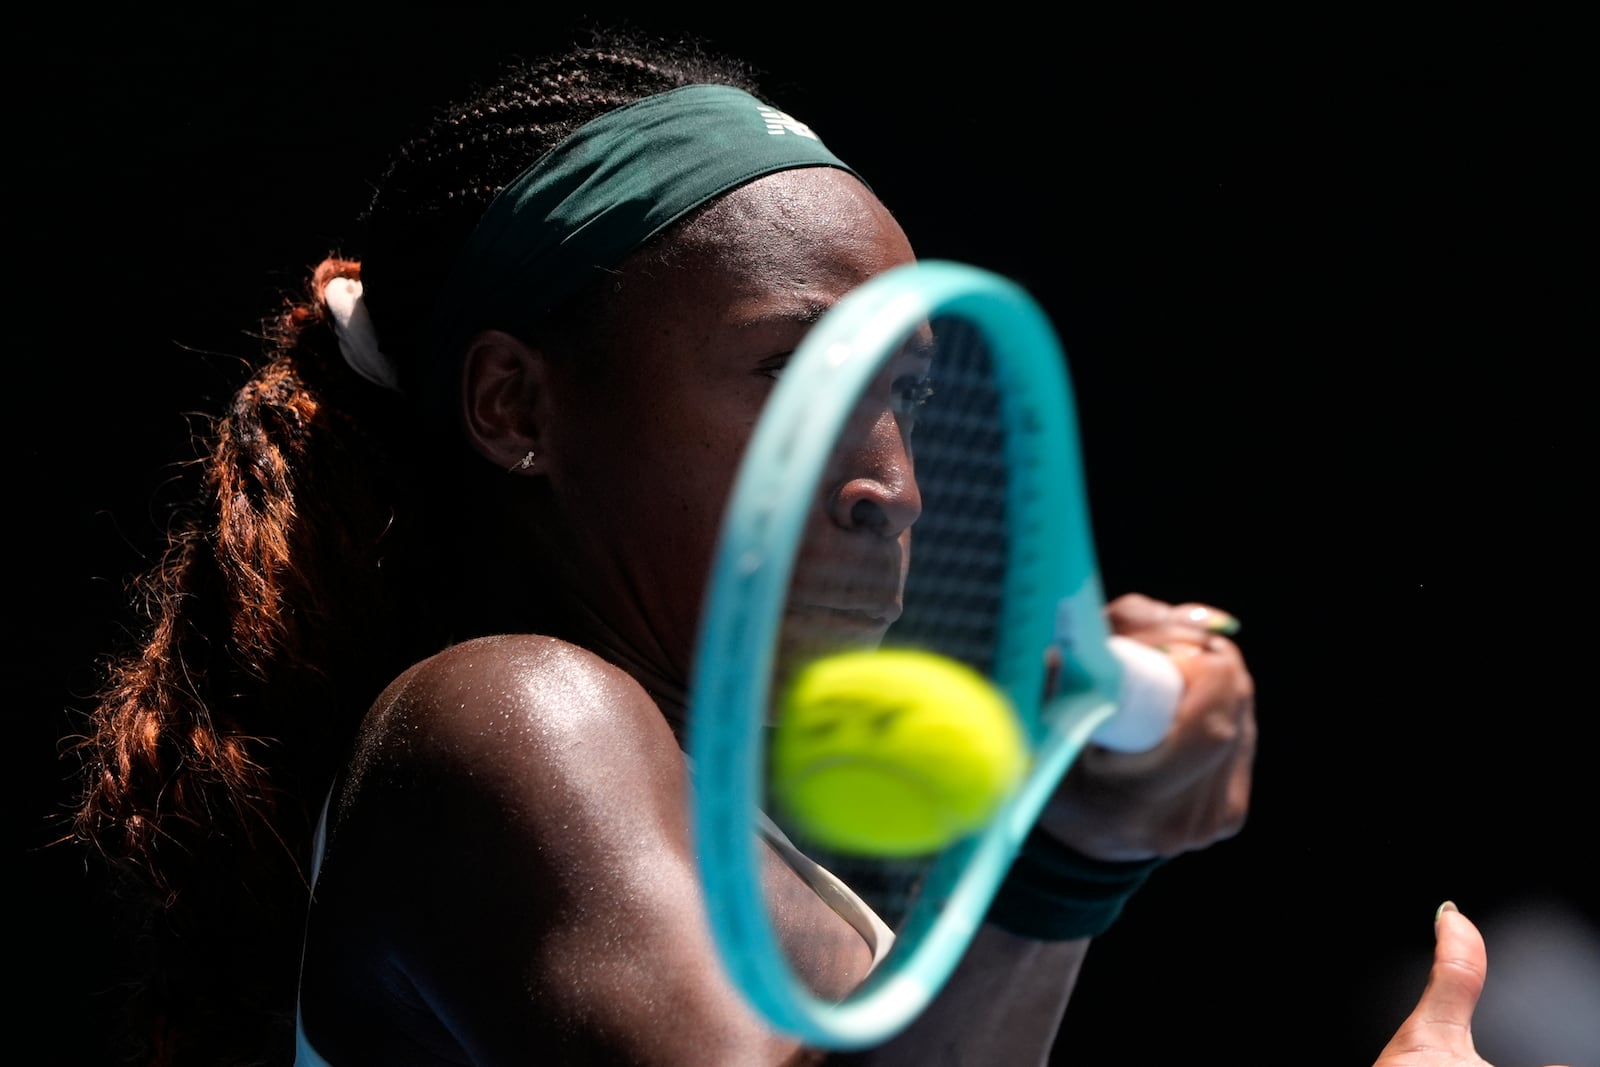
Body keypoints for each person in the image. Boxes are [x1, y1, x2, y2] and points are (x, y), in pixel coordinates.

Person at [61, 29, 1542, 1067]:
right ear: (517, 406)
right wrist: (1065, 859)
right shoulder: (514, 716)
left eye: (894, 394)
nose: (889, 484)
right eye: (789, 373)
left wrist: (1079, 853)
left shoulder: (702, 831)